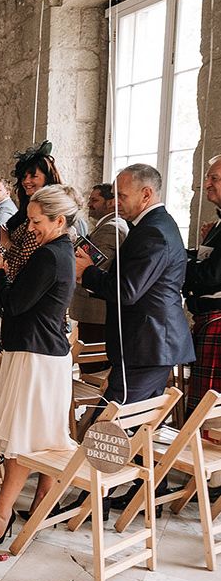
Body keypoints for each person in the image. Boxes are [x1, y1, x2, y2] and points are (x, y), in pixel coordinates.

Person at [0, 184, 81, 544]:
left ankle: (0, 519)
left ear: (59, 220)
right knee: (45, 436)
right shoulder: (61, 250)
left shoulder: (50, 255)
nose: (30, 227)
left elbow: (15, 304)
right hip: (47, 356)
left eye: (37, 221)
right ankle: (39, 507)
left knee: (22, 440)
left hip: (34, 357)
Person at [76, 164, 195, 410]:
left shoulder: (153, 232)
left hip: (147, 343)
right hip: (149, 343)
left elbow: (127, 291)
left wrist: (87, 272)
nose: (114, 203)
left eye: (122, 195)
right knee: (133, 425)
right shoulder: (153, 225)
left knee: (109, 429)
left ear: (146, 194)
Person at [184, 155, 221, 414]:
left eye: (214, 178)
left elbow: (211, 275)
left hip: (217, 319)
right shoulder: (218, 223)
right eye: (208, 177)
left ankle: (204, 455)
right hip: (208, 317)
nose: (206, 183)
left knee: (206, 414)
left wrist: (173, 263)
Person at [69, 183, 129, 345]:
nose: (89, 205)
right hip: (95, 313)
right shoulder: (106, 226)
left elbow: (97, 270)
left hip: (96, 313)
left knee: (92, 367)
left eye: (94, 200)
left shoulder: (110, 229)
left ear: (110, 202)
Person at [3, 141, 62, 280]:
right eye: (24, 177)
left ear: (47, 177)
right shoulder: (27, 208)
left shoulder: (48, 213)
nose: (26, 181)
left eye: (33, 176)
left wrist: (4, 240)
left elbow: (26, 260)